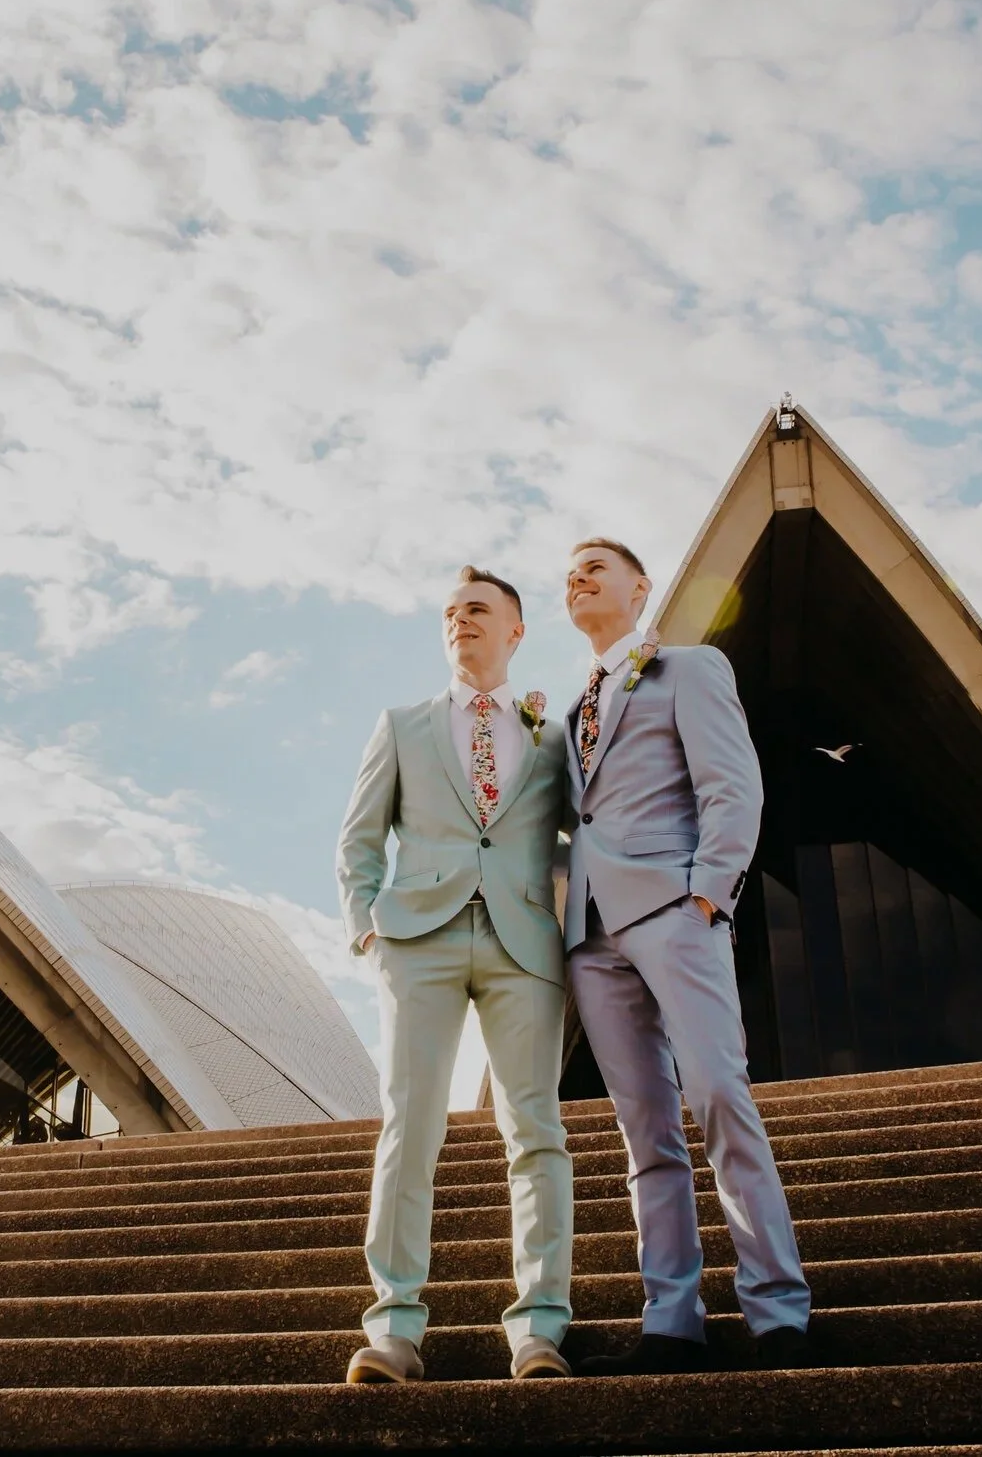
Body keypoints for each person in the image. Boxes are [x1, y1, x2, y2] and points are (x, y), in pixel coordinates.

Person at [559, 539, 815, 1374]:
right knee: (644, 1134)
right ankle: (671, 1319)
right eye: (571, 570)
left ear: (641, 589)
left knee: (716, 1092)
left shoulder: (689, 668)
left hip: (675, 909)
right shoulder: (569, 715)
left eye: (597, 565)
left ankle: (777, 1308)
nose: (580, 576)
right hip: (592, 941)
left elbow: (733, 784)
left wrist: (709, 893)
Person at [335, 566, 574, 1384]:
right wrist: (368, 929)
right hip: (419, 940)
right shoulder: (402, 724)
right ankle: (395, 1326)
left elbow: (585, 832)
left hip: (524, 945)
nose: (460, 621)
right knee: (410, 1128)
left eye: (478, 610)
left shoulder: (556, 732)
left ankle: (539, 1327)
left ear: (515, 630)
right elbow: (358, 839)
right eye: (449, 613)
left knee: (536, 1133)